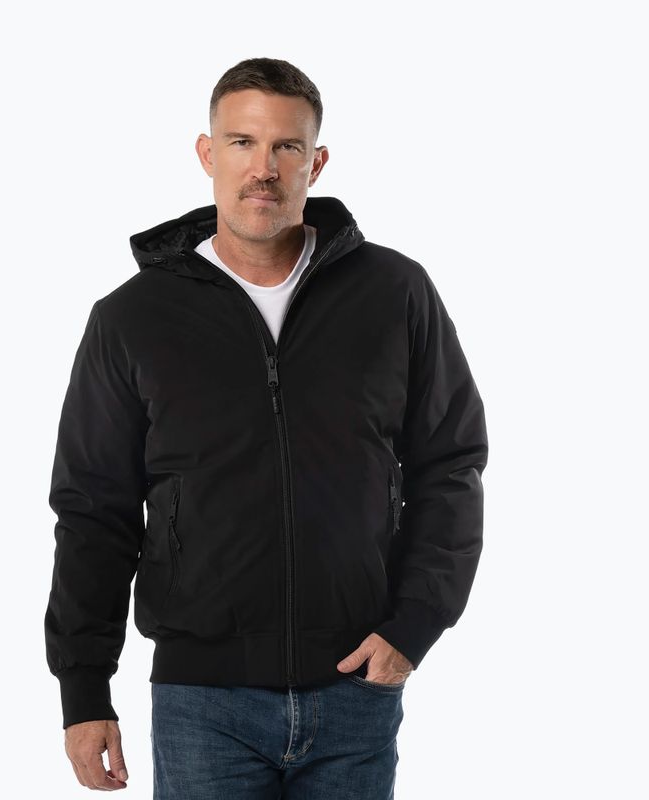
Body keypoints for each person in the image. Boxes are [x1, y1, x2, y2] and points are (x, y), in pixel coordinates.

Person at [44, 57, 488, 798]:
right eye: (243, 142)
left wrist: (415, 625)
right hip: (201, 702)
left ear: (317, 161)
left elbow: (450, 465)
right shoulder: (131, 319)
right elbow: (94, 511)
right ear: (207, 153)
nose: (264, 169)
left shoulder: (394, 293)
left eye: (286, 146)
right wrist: (84, 689)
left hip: (356, 687)